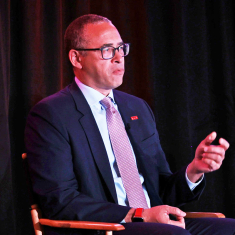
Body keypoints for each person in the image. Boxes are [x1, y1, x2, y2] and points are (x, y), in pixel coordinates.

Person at [25, 14, 235, 235]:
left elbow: (161, 192)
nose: (119, 58)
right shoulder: (51, 114)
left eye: (121, 48)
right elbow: (60, 200)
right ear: (76, 58)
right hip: (102, 228)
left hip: (156, 226)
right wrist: (139, 215)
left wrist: (194, 171)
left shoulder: (137, 108)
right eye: (107, 50)